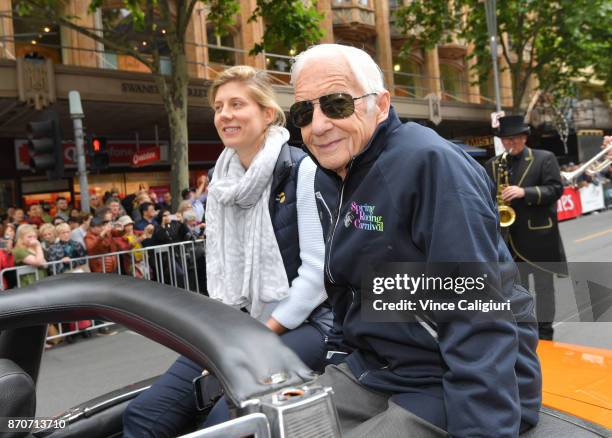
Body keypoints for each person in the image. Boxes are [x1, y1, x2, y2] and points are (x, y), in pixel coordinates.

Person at [284, 44, 541, 438]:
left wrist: (483, 429)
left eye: (336, 104)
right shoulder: (328, 175)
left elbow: (478, 310)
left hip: (453, 378)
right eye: (303, 112)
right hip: (381, 367)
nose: (317, 126)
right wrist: (338, 360)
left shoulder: (431, 164)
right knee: (278, 426)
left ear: (381, 105)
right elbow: (346, 288)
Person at [123, 65, 333, 437]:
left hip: (306, 324)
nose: (225, 114)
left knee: (227, 421)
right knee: (144, 414)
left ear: (267, 113)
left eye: (237, 104)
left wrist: (258, 334)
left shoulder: (302, 170)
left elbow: (316, 277)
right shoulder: (221, 183)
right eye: (219, 107)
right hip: (236, 323)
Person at [485, 115, 566, 340]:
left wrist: (525, 193)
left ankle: (545, 333)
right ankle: (521, 331)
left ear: (524, 137)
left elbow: (555, 189)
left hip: (539, 236)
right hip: (507, 239)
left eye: (514, 139)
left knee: (544, 289)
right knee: (514, 290)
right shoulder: (492, 164)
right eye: (505, 139)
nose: (510, 143)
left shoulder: (544, 158)